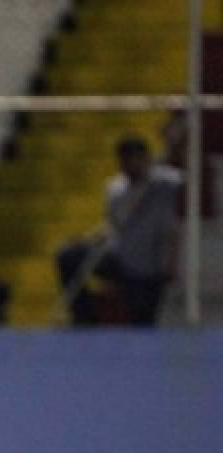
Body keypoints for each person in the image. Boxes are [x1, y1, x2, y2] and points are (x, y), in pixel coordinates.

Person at [57, 135, 183, 326]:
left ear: (146, 159)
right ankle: (84, 315)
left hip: (149, 267)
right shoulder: (115, 188)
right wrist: (88, 240)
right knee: (68, 256)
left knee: (142, 320)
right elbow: (113, 226)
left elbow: (184, 179)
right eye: (126, 160)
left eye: (136, 159)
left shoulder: (165, 183)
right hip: (120, 258)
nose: (131, 164)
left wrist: (171, 261)